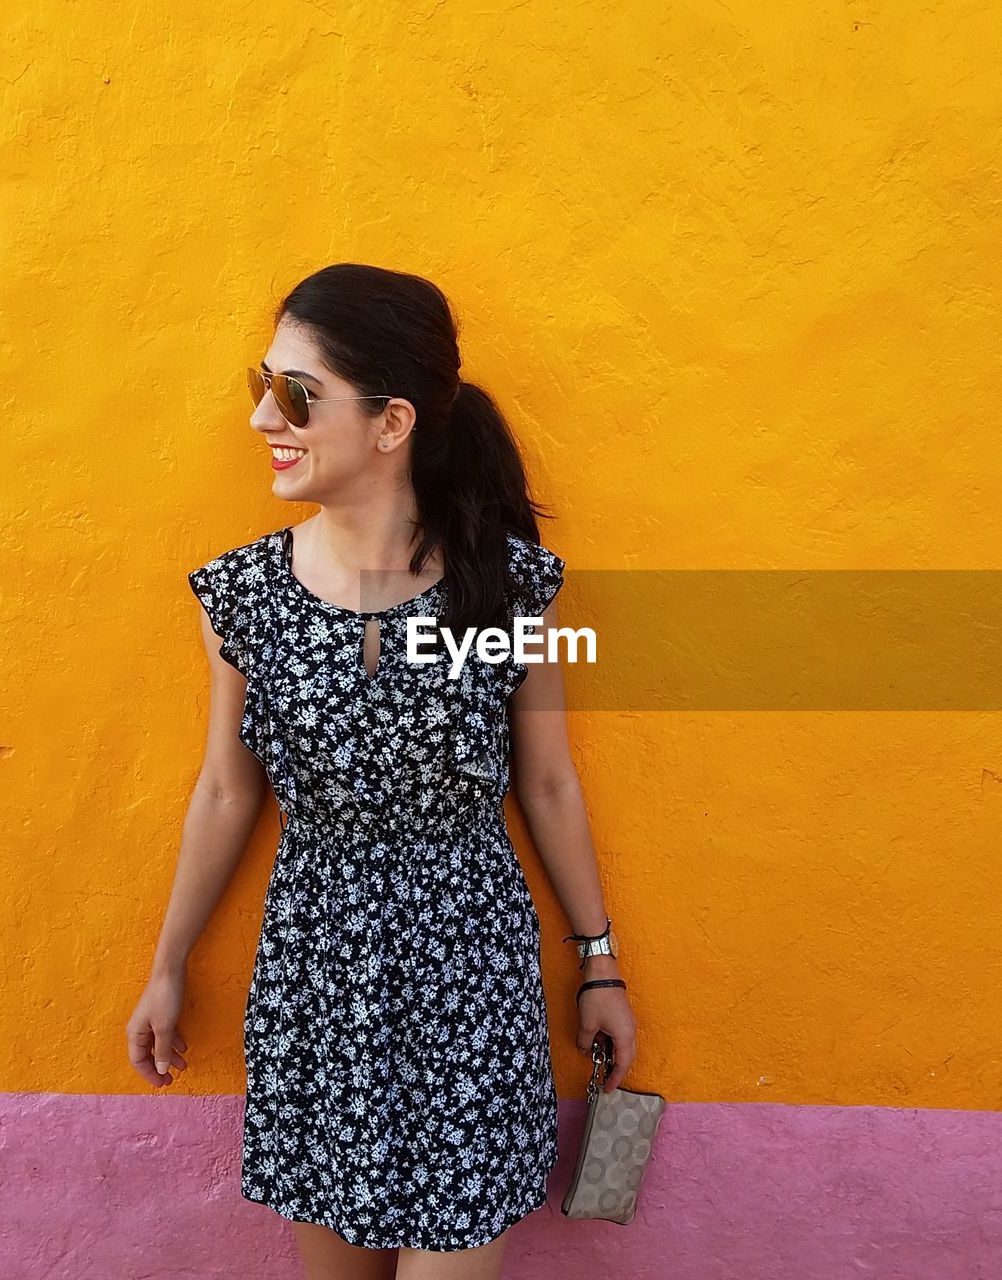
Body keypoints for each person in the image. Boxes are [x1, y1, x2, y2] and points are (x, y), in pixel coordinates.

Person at [126, 264, 636, 1280]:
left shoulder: (499, 584)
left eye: (299, 394)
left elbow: (547, 785)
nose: (266, 415)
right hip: (314, 975)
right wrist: (169, 962)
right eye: (261, 384)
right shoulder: (243, 597)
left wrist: (599, 960)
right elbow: (229, 788)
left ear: (391, 422)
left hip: (469, 967)